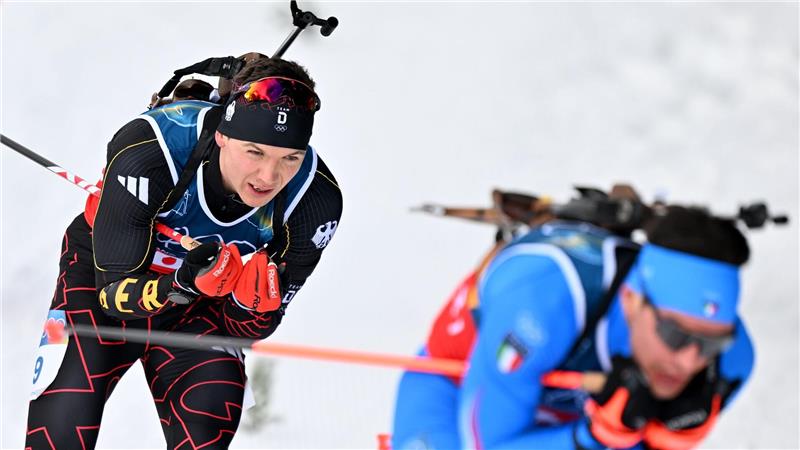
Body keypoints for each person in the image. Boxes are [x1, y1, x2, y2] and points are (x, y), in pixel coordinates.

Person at [26, 56, 342, 449]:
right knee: (59, 430)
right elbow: (112, 294)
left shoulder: (314, 202)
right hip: (100, 285)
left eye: (289, 158)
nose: (268, 177)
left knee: (207, 424)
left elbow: (253, 329)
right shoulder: (153, 149)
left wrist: (250, 307)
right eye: (255, 152)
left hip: (199, 312)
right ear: (223, 135)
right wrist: (183, 281)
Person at [392, 197, 755, 450]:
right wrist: (594, 437)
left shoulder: (733, 360)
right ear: (632, 300)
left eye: (710, 344)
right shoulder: (540, 307)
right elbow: (486, 444)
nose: (689, 361)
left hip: (577, 416)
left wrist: (664, 439)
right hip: (457, 387)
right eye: (674, 334)